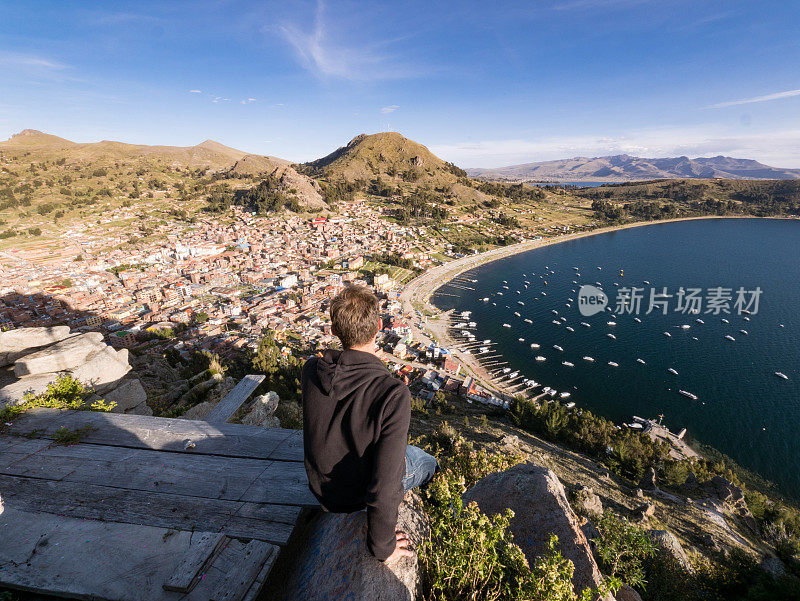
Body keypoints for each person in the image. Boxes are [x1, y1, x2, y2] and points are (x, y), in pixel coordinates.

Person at [302, 285, 438, 563]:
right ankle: (440, 510)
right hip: (355, 496)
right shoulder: (391, 393)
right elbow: (385, 487)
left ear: (334, 329)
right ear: (379, 325)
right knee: (424, 461)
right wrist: (383, 547)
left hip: (323, 492)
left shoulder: (311, 371)